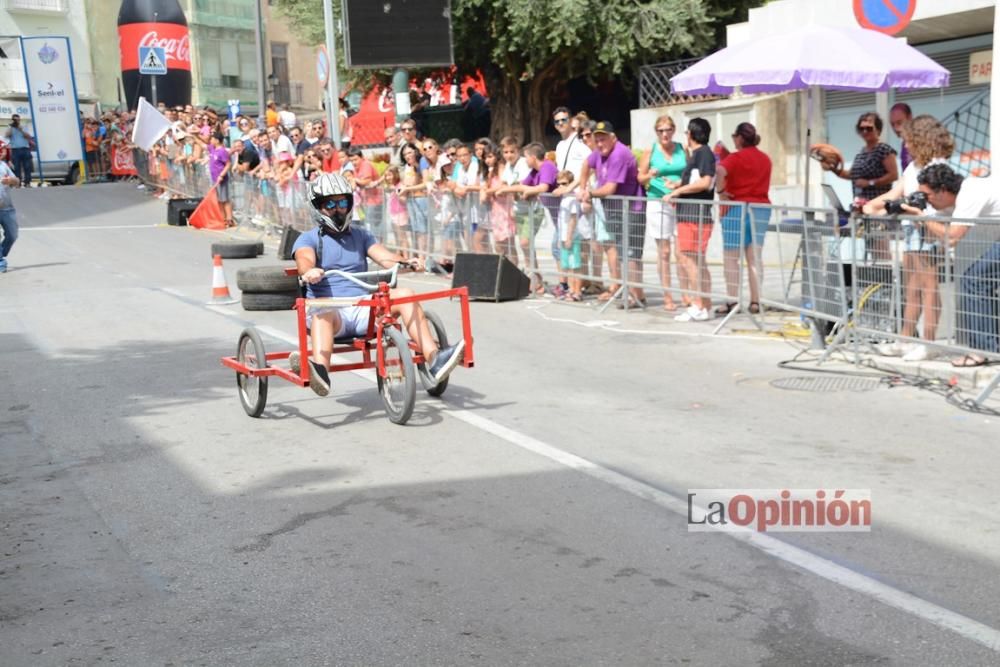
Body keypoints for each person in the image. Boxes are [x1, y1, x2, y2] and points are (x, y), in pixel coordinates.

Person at [292, 173, 465, 395]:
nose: (338, 209)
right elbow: (304, 260)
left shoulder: (361, 235)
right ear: (318, 207)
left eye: (342, 202)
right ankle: (321, 372)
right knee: (322, 314)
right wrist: (309, 272)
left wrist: (406, 263)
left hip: (364, 307)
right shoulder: (308, 238)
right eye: (330, 204)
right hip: (329, 310)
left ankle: (435, 358)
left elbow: (385, 258)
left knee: (405, 293)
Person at [863, 115, 955, 361]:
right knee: (912, 286)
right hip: (913, 228)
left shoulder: (936, 166)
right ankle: (905, 339)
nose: (905, 145)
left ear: (920, 139)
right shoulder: (913, 166)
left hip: (930, 227)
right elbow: (898, 192)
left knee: (929, 287)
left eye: (908, 140)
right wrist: (870, 206)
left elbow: (928, 200)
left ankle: (928, 342)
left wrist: (890, 206)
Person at [907, 164, 1000, 367]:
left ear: (943, 190)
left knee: (973, 280)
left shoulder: (970, 194)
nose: (925, 200)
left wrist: (922, 218)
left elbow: (952, 238)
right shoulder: (955, 200)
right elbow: (935, 233)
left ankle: (981, 351)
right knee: (980, 281)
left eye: (927, 195)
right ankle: (989, 347)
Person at [579, 121, 646, 308]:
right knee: (623, 251)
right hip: (615, 208)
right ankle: (634, 293)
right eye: (597, 140)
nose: (600, 144)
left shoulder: (619, 154)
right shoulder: (600, 152)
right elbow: (586, 164)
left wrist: (589, 193)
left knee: (630, 253)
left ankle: (635, 295)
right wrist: (583, 187)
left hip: (632, 208)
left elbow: (610, 188)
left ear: (613, 138)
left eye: (604, 139)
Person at [715, 122, 772, 316]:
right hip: (761, 209)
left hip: (736, 209)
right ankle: (756, 301)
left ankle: (733, 301)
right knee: (755, 257)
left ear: (739, 138)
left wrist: (721, 191)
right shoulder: (765, 159)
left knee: (731, 257)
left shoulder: (735, 157)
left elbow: (720, 171)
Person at [667, 117, 716, 322]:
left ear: (692, 134)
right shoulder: (698, 155)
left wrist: (678, 191)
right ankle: (703, 304)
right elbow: (696, 179)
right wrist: (677, 184)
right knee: (693, 259)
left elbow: (705, 182)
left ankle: (698, 304)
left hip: (695, 216)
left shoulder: (703, 153)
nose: (685, 136)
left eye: (687, 133)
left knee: (690, 259)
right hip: (691, 214)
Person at [638, 114, 686, 311]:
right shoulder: (651, 150)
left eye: (668, 130)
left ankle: (686, 293)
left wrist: (679, 185)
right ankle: (668, 296)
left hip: (679, 200)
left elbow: (689, 173)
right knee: (664, 251)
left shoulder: (682, 149)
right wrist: (650, 174)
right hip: (658, 202)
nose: (665, 134)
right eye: (661, 131)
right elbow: (640, 177)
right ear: (656, 132)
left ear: (674, 130)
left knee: (681, 251)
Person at [828, 112, 898, 202]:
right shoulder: (861, 153)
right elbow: (851, 175)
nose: (865, 131)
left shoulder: (884, 149)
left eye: (869, 128)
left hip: (877, 206)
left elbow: (893, 175)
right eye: (861, 129)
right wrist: (833, 168)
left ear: (878, 130)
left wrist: (870, 183)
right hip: (860, 205)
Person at [5, 114, 33, 187]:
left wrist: (21, 130)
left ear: (19, 119)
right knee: (16, 167)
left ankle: (27, 182)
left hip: (25, 149)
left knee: (27, 166)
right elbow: (7, 135)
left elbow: (28, 136)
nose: (16, 121)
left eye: (17, 119)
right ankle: (18, 183)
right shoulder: (10, 127)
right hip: (15, 150)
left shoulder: (23, 126)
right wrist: (11, 127)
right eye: (14, 120)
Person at [0, 158, 18, 272]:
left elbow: (17, 181)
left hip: (7, 208)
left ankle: (1, 252)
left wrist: (11, 180)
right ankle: (1, 262)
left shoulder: (3, 165)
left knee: (12, 235)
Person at [889, 102, 913, 171]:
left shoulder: (921, 141)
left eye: (899, 123)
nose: (896, 128)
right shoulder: (904, 144)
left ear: (909, 118)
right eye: (892, 124)